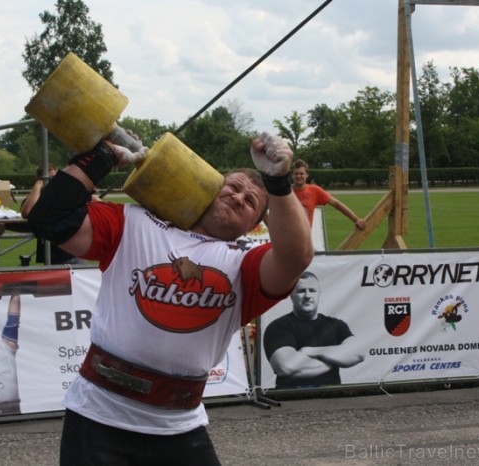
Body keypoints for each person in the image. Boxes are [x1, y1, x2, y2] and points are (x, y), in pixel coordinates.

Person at [27, 131, 313, 465]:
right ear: (209, 186)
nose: (238, 198)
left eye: (251, 202)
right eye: (232, 187)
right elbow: (50, 219)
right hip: (98, 415)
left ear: (253, 225)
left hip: (179, 426)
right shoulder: (134, 223)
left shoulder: (245, 263)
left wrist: (277, 182)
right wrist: (103, 157)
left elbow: (296, 257)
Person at [263, 271, 365, 389]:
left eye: (312, 290)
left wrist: (310, 351)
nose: (307, 296)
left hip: (333, 399)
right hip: (292, 400)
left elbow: (359, 353)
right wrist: (334, 360)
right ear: (291, 295)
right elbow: (285, 367)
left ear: (319, 294)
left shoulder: (336, 325)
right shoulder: (278, 327)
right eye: (301, 291)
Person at [21, 164, 86, 265]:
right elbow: (27, 212)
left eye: (55, 178)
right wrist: (38, 186)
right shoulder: (35, 198)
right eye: (50, 178)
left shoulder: (64, 194)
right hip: (54, 257)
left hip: (75, 252)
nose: (53, 181)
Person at [291, 159, 366, 229]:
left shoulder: (314, 190)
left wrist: (356, 220)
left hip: (305, 239)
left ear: (307, 174)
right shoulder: (285, 192)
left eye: (301, 173)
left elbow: (337, 204)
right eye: (296, 173)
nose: (298, 176)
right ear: (292, 175)